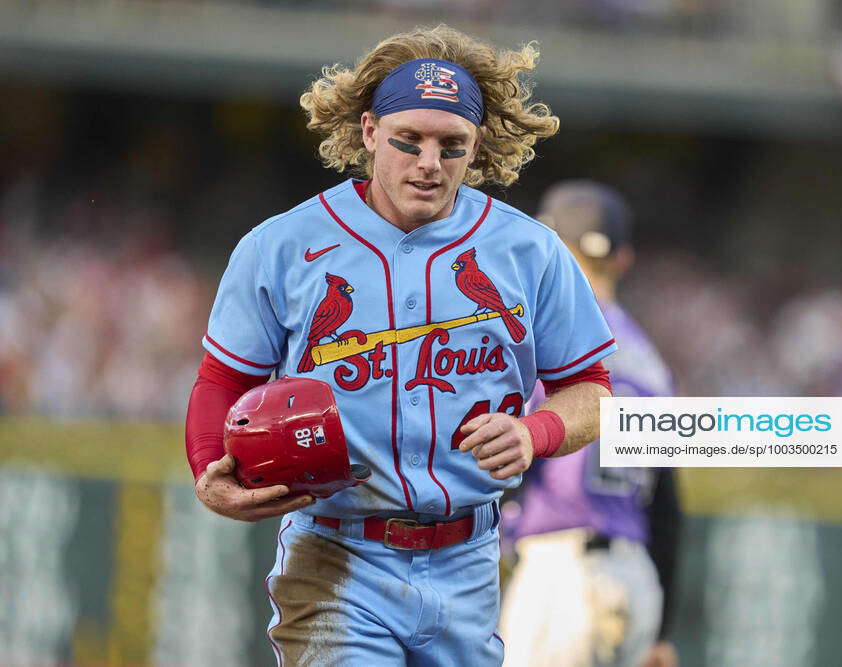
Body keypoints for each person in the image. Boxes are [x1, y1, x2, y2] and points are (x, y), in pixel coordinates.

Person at [183, 25, 616, 665]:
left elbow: (592, 390)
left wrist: (539, 431)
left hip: (471, 559)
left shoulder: (531, 251)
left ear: (478, 146)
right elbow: (223, 380)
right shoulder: (281, 245)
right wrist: (206, 469)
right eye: (407, 141)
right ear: (367, 133)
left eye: (452, 145)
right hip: (335, 551)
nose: (428, 164)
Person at [499, 181, 683, 667]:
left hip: (563, 574)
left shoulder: (548, 335)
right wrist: (661, 628)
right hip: (634, 576)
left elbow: (502, 454)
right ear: (623, 259)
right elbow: (667, 507)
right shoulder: (651, 362)